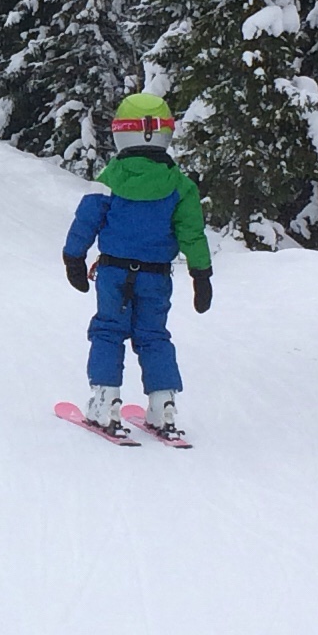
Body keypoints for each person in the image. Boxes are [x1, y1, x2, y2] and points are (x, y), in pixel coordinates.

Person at [63, 91, 213, 443]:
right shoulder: (180, 186)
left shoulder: (109, 179)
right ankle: (163, 405)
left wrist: (74, 256)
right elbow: (191, 233)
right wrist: (201, 274)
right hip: (156, 276)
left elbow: (86, 220)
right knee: (153, 335)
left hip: (113, 273)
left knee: (108, 331)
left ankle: (105, 401)